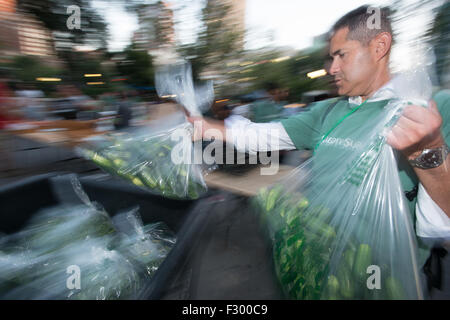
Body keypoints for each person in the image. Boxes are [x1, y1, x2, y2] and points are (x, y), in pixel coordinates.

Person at [189, 6, 450, 298]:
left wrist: (429, 154)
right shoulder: (329, 111)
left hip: (389, 281)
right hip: (322, 267)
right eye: (331, 57)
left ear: (379, 47)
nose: (331, 68)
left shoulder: (428, 109)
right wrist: (206, 127)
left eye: (342, 55)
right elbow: (265, 135)